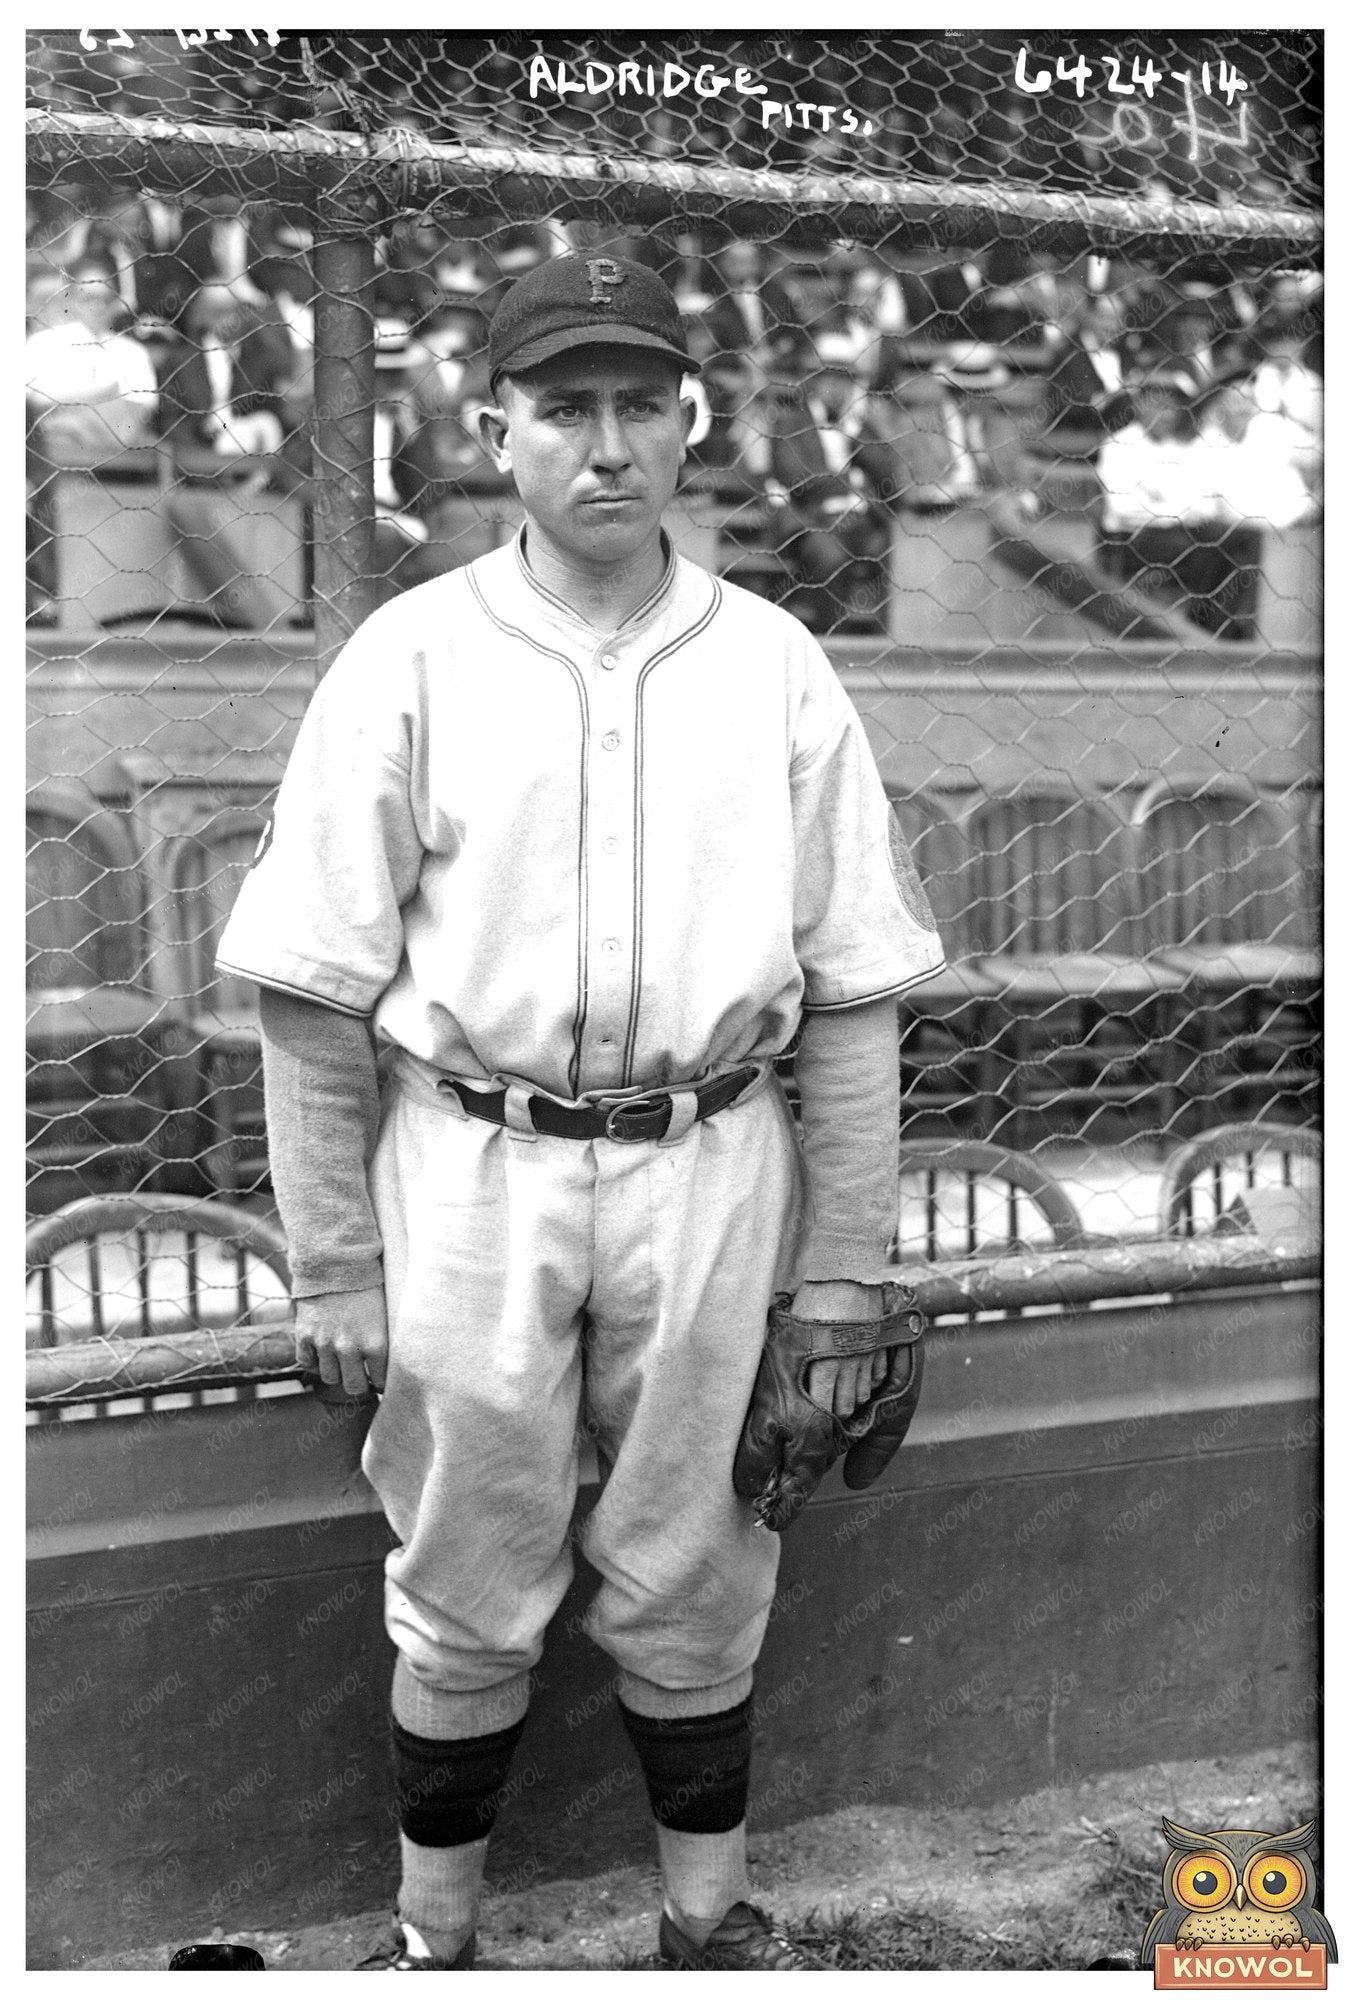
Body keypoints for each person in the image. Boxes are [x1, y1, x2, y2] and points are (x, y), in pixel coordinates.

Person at [217, 253, 945, 1972]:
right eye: (565, 408)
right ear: (496, 432)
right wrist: (331, 1266)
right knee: (465, 1573)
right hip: (471, 1162)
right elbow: (310, 991)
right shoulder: (407, 657)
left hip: (712, 1153)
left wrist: (841, 1269)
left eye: (639, 406)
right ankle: (434, 1938)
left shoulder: (775, 665)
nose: (605, 446)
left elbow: (849, 992)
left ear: (690, 427)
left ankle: (707, 1923)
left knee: (700, 1563)